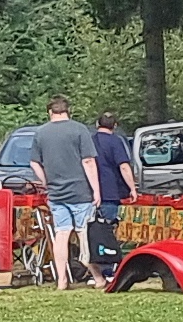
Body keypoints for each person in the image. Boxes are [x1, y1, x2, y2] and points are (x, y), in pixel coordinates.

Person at [28, 97, 97, 291]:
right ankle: (98, 277)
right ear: (68, 111)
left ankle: (62, 281)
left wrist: (45, 182)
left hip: (56, 194)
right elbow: (88, 161)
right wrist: (96, 190)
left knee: (61, 234)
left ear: (50, 112)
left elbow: (34, 162)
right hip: (80, 191)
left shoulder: (41, 133)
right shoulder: (79, 130)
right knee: (84, 235)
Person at [89, 112, 135, 271]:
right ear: (115, 126)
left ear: (97, 124)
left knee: (92, 232)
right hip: (110, 192)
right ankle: (108, 268)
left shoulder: (89, 141)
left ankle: (94, 267)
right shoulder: (116, 142)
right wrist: (132, 188)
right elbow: (124, 167)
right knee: (108, 230)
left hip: (89, 193)